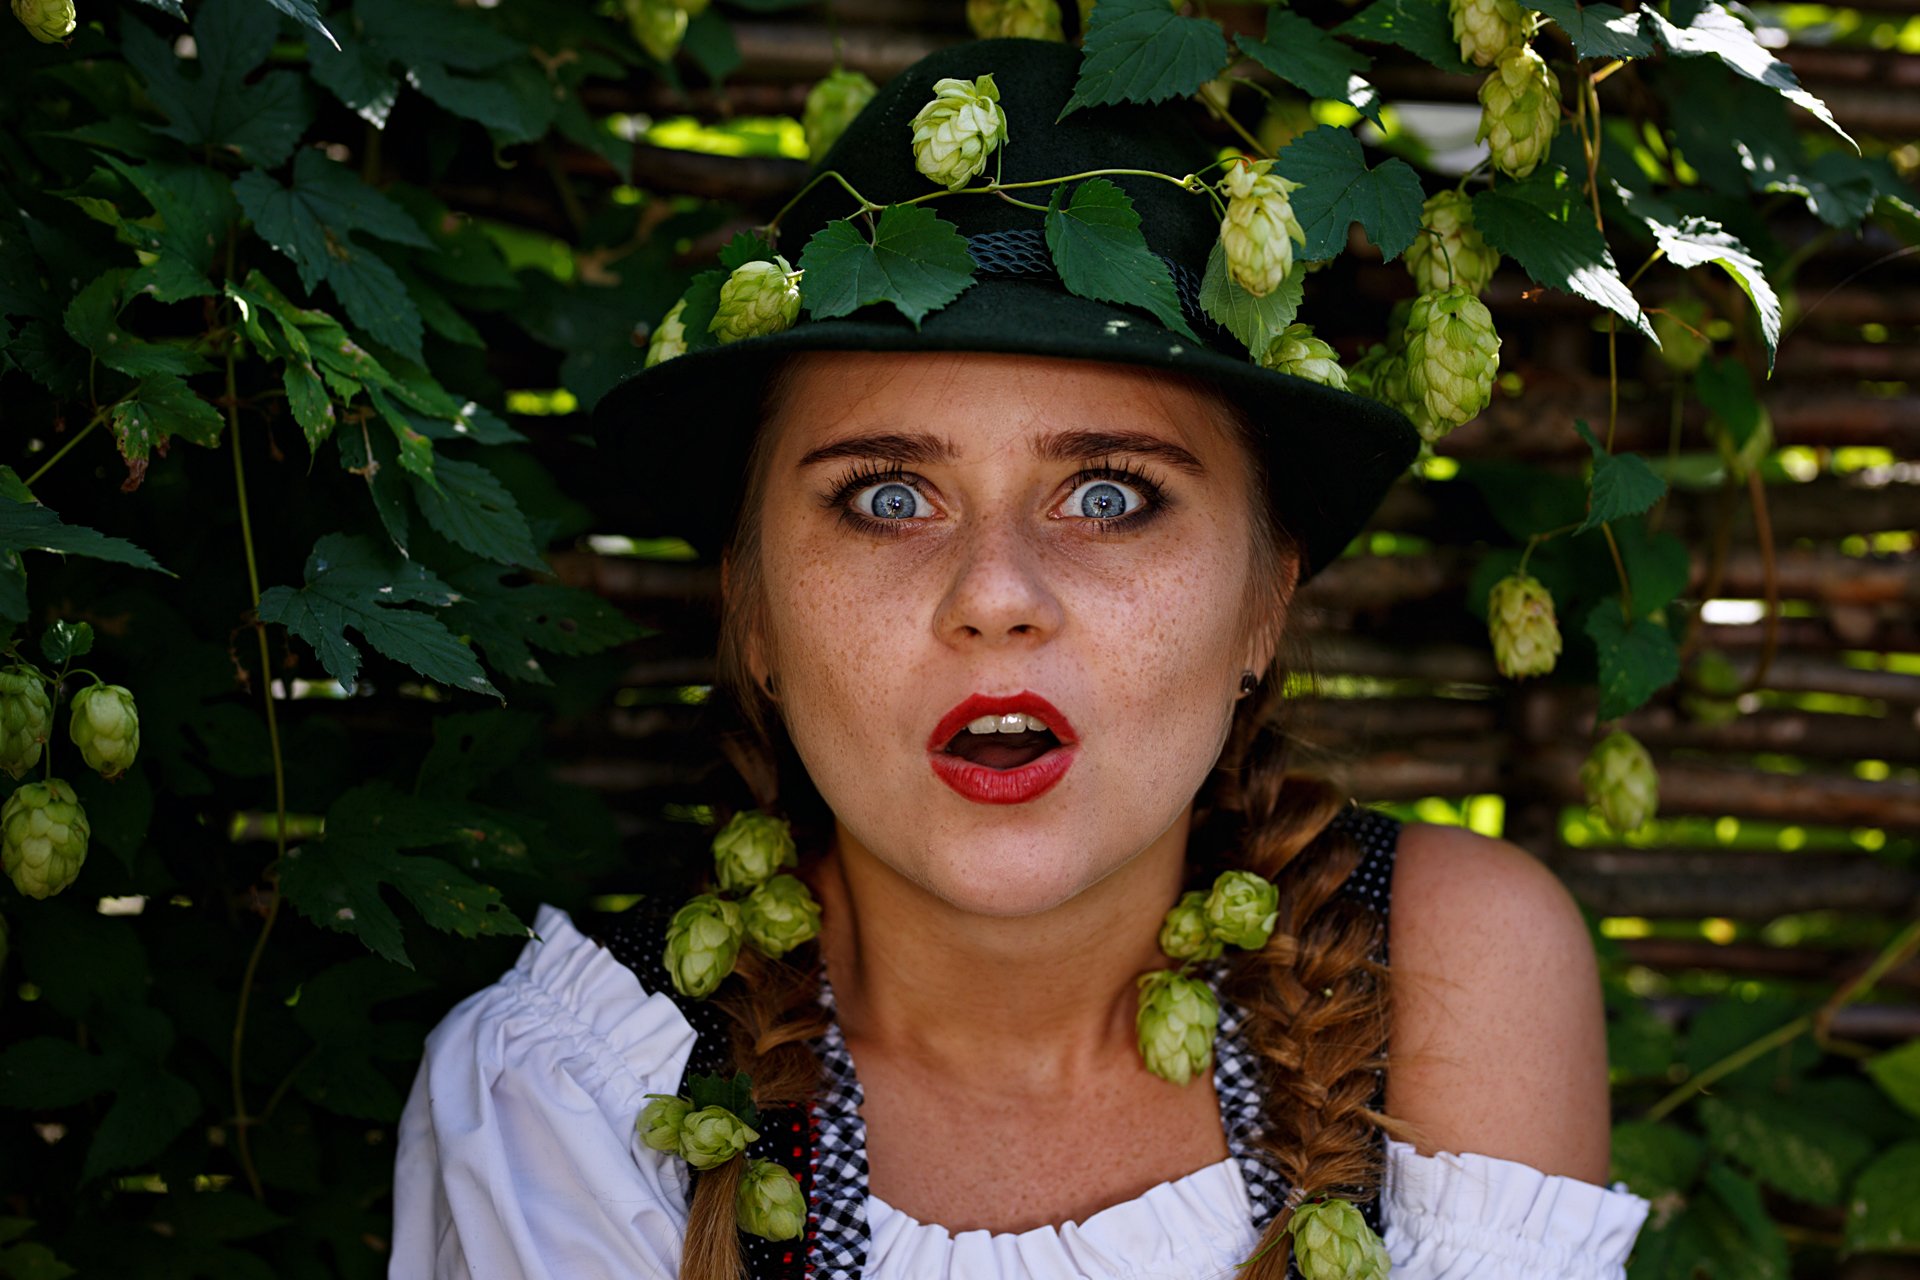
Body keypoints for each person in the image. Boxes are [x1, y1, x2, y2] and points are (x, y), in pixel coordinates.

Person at [390, 38, 1652, 1280]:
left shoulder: (1445, 975)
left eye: (1108, 494)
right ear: (754, 610)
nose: (996, 598)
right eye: (888, 498)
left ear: (1266, 602)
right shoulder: (571, 1101)